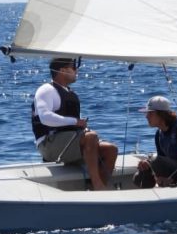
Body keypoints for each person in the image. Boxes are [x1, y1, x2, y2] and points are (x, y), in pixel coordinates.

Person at [32, 57, 117, 191]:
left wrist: (81, 125)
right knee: (91, 137)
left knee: (111, 149)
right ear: (62, 70)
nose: (76, 71)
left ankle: (97, 190)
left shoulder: (70, 93)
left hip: (70, 142)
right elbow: (45, 118)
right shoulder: (46, 90)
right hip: (48, 143)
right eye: (73, 67)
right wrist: (76, 122)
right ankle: (98, 186)